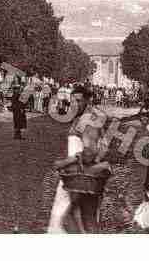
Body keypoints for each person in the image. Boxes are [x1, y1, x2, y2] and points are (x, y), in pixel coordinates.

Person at [48, 85, 107, 233]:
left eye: (79, 101)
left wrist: (64, 162)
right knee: (80, 217)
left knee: (72, 217)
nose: (75, 104)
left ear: (88, 100)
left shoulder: (88, 120)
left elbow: (90, 152)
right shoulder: (89, 117)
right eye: (73, 101)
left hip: (80, 176)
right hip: (79, 175)